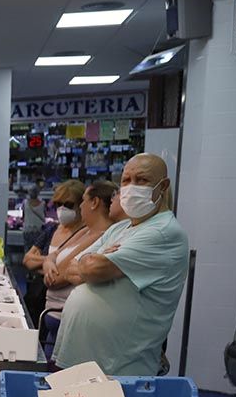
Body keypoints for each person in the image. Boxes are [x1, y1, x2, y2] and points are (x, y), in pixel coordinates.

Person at [54, 154, 189, 375]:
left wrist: (94, 262)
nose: (131, 187)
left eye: (141, 180)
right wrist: (92, 263)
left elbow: (94, 269)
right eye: (126, 180)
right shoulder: (121, 228)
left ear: (163, 186)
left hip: (119, 368)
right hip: (85, 363)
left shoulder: (163, 232)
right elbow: (71, 269)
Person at [39, 180, 117, 358]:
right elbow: (52, 257)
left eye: (83, 200)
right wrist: (49, 263)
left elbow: (56, 279)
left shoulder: (102, 236)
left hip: (67, 322)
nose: (81, 206)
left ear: (94, 203)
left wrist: (51, 267)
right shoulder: (85, 231)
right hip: (54, 321)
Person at [20, 180, 83, 326]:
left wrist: (45, 265)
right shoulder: (51, 230)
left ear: (82, 205)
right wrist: (50, 261)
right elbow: (28, 260)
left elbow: (60, 276)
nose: (62, 209)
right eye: (58, 205)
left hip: (69, 312)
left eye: (68, 205)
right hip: (44, 305)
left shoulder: (86, 234)